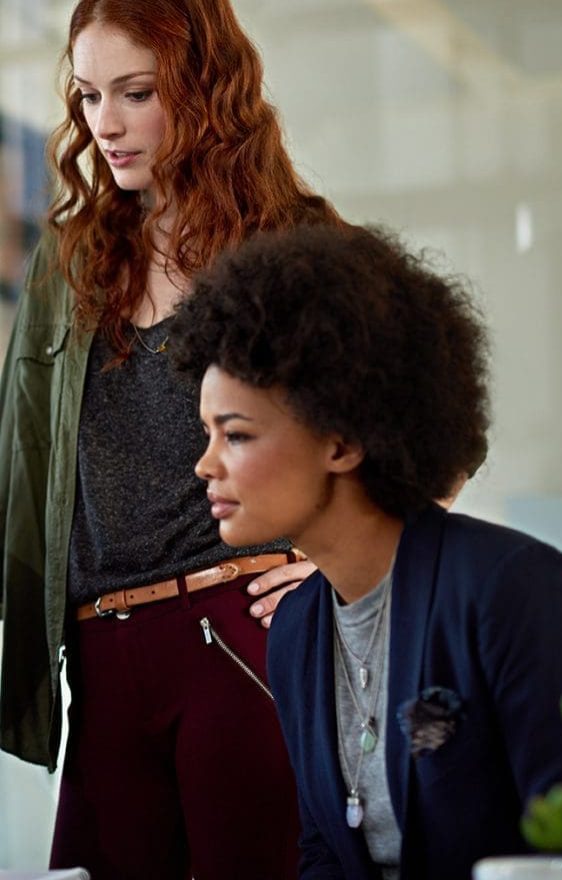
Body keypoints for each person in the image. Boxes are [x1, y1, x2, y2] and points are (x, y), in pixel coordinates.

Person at [0, 1, 344, 877]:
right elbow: (24, 459)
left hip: (241, 636)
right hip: (100, 657)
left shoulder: (294, 243)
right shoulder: (71, 257)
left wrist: (333, 561)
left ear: (203, 87)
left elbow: (432, 434)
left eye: (136, 92)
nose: (104, 125)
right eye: (85, 96)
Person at [170, 222, 562, 880]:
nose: (205, 465)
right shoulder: (296, 631)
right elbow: (324, 852)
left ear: (344, 442)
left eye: (234, 435)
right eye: (208, 433)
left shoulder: (515, 588)